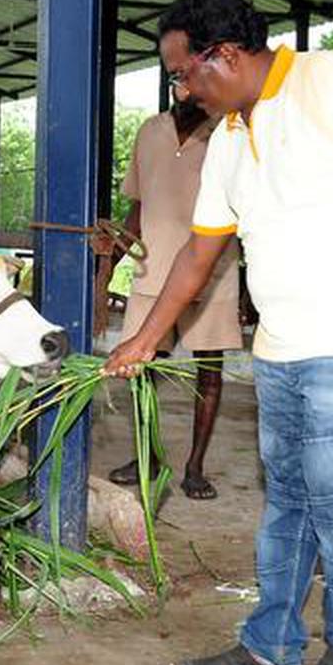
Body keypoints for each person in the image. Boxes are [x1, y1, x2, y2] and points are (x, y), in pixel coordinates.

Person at [103, 0, 333, 665]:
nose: (181, 90)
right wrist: (144, 336)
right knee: (286, 501)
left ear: (224, 55)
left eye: (182, 73)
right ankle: (271, 646)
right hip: (280, 353)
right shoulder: (228, 136)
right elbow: (199, 253)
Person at [101, 90, 242, 500]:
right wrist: (110, 263)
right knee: (141, 370)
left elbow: (244, 211)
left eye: (190, 76)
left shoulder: (227, 133)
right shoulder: (150, 131)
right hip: (153, 272)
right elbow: (137, 208)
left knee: (209, 375)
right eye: (176, 77)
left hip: (215, 273)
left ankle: (195, 466)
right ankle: (146, 456)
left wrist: (247, 284)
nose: (184, 87)